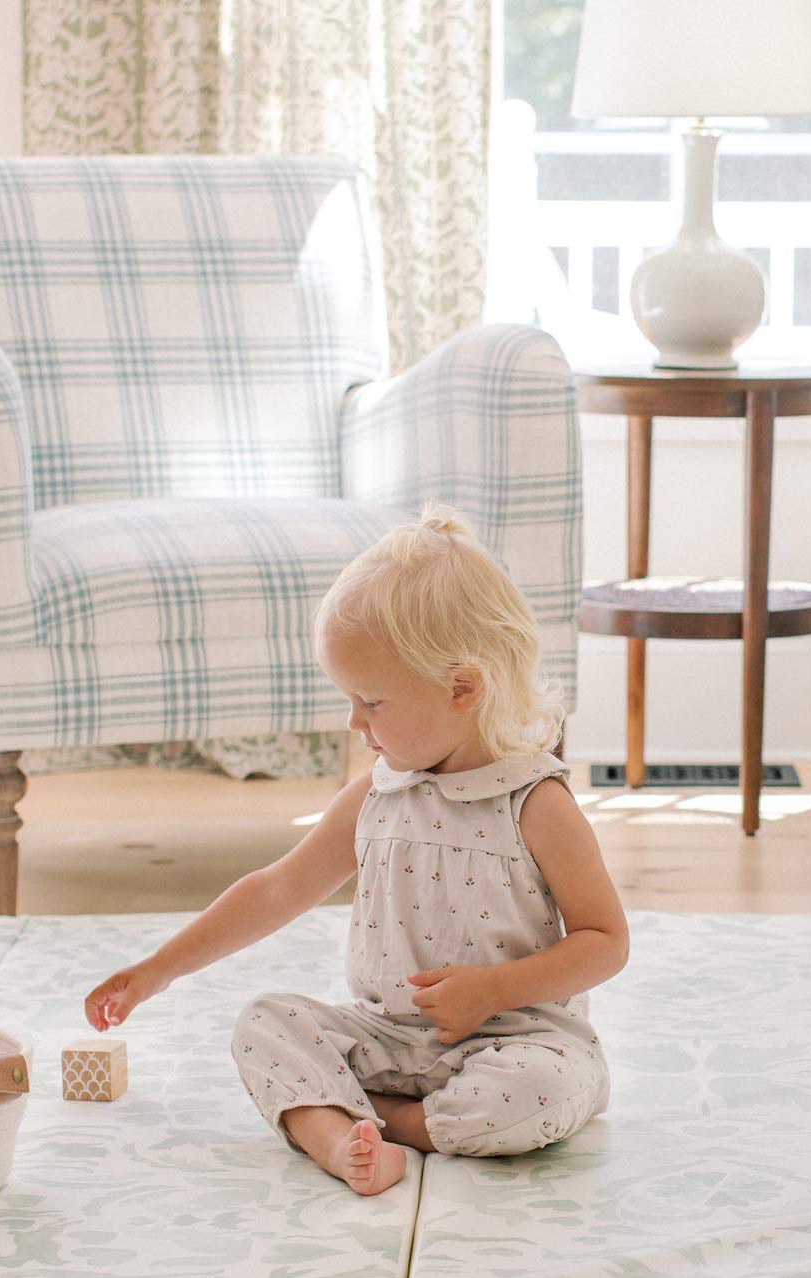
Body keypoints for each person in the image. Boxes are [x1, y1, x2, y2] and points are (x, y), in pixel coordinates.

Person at [83, 503, 628, 1195]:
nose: (353, 722)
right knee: (267, 1024)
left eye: (371, 701)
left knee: (543, 1091)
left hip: (516, 1041)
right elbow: (279, 889)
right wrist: (158, 969)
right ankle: (345, 1141)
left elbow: (605, 940)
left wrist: (493, 990)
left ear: (462, 689)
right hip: (388, 1039)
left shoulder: (535, 803)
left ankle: (385, 1123)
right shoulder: (377, 794)